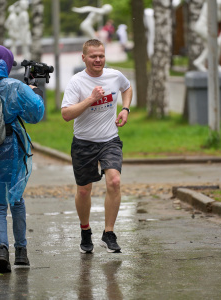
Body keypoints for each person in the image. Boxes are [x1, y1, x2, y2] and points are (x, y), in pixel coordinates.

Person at [61, 39, 132, 254]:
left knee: (115, 181)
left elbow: (127, 88)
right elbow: (66, 114)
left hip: (109, 139)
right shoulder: (76, 82)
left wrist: (125, 109)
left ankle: (109, 233)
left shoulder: (114, 75)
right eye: (93, 56)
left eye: (101, 55)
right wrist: (90, 99)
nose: (98, 60)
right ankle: (85, 230)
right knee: (84, 191)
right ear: (84, 58)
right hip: (84, 142)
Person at [0, 45, 44, 273]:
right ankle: (22, 253)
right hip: (12, 151)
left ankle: (1, 250)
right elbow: (36, 114)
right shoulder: (14, 86)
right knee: (16, 200)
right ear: (5, 63)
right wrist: (34, 92)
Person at [193, 0, 221, 72]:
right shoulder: (209, 5)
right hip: (201, 27)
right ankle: (212, 65)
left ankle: (199, 62)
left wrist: (220, 39)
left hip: (211, 30)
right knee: (215, 44)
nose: (220, 6)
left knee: (212, 45)